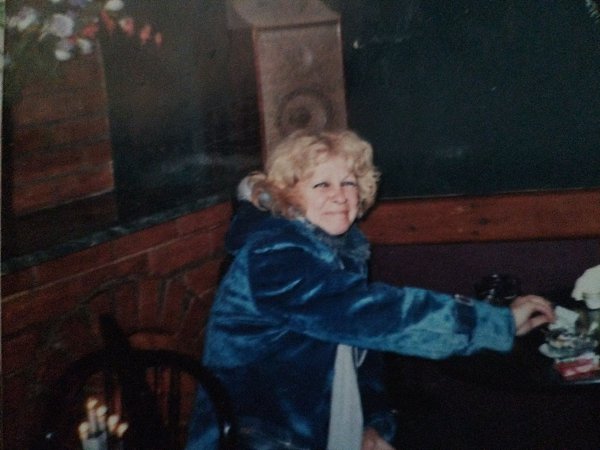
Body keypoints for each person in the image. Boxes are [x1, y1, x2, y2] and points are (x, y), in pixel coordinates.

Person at [186, 130, 555, 450]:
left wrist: (371, 425)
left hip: (323, 425)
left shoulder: (338, 250)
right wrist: (495, 322)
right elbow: (379, 316)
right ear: (287, 195)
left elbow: (360, 353)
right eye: (321, 184)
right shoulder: (275, 252)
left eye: (348, 183)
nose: (340, 195)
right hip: (265, 438)